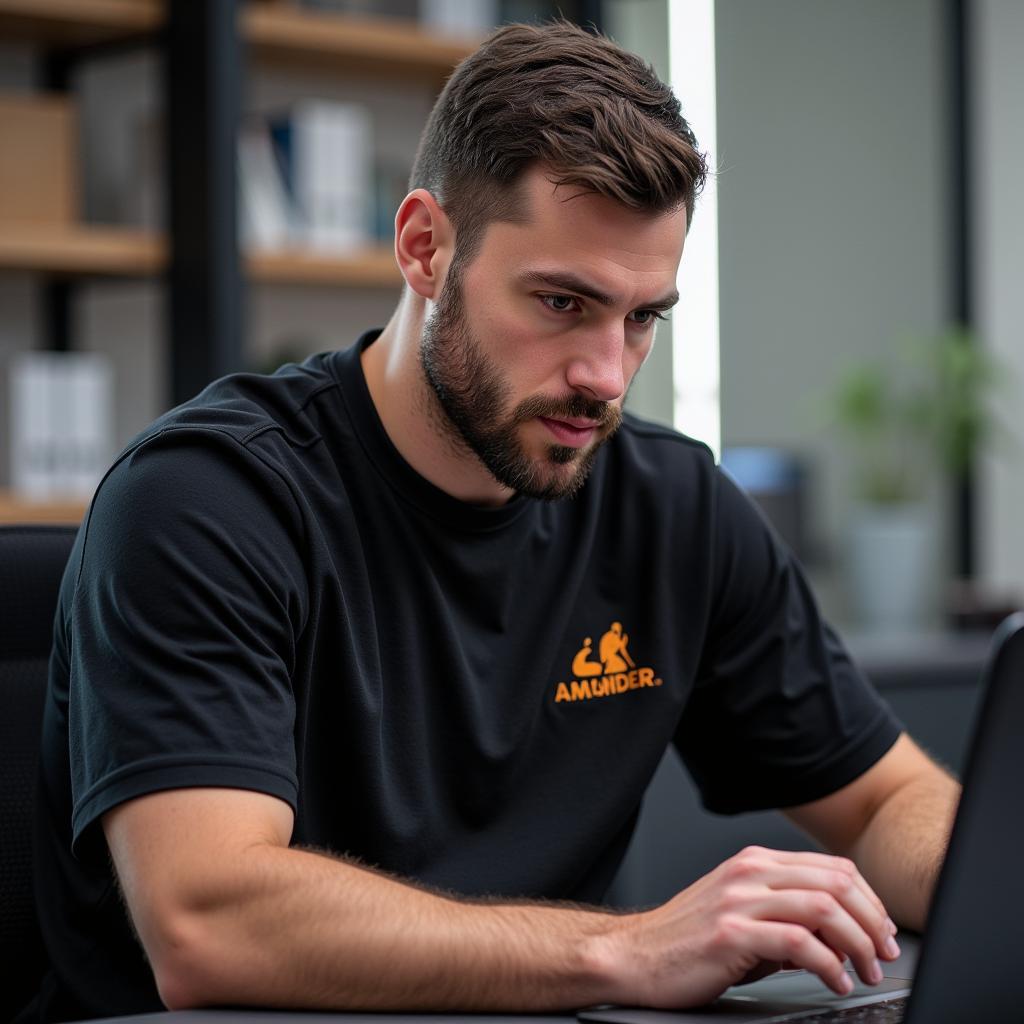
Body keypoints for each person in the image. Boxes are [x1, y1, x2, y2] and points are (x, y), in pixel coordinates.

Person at [24, 19, 960, 1024]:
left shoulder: (671, 509)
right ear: (425, 247)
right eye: (562, 302)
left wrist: (982, 880)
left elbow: (884, 800)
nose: (606, 375)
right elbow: (209, 923)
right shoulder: (206, 501)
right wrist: (627, 947)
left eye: (643, 317)